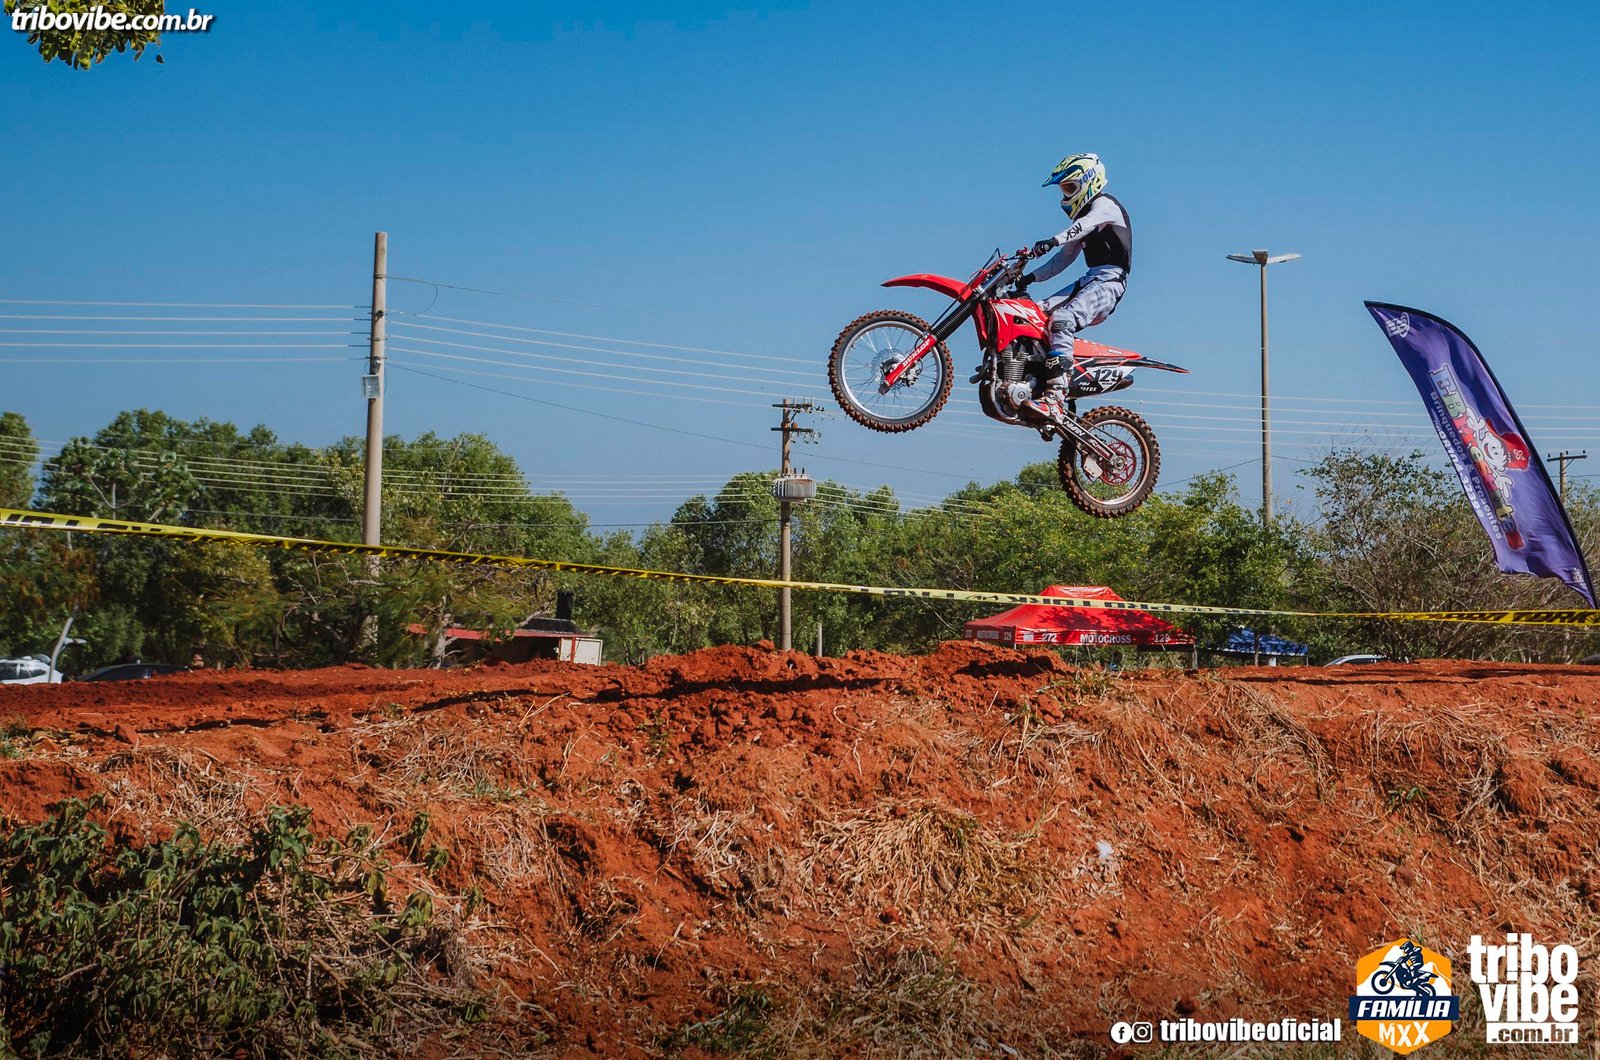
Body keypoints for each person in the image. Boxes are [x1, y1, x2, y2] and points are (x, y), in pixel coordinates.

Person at [1016, 152, 1133, 423]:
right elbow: (1062, 261)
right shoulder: (1083, 220)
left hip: (1110, 282)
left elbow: (1084, 225)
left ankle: (1056, 398)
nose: (1065, 196)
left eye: (1070, 187)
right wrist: (1028, 278)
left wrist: (1052, 240)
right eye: (1063, 189)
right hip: (1090, 279)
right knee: (1033, 315)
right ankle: (1036, 381)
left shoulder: (1105, 205)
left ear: (1089, 182)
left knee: (1063, 320)